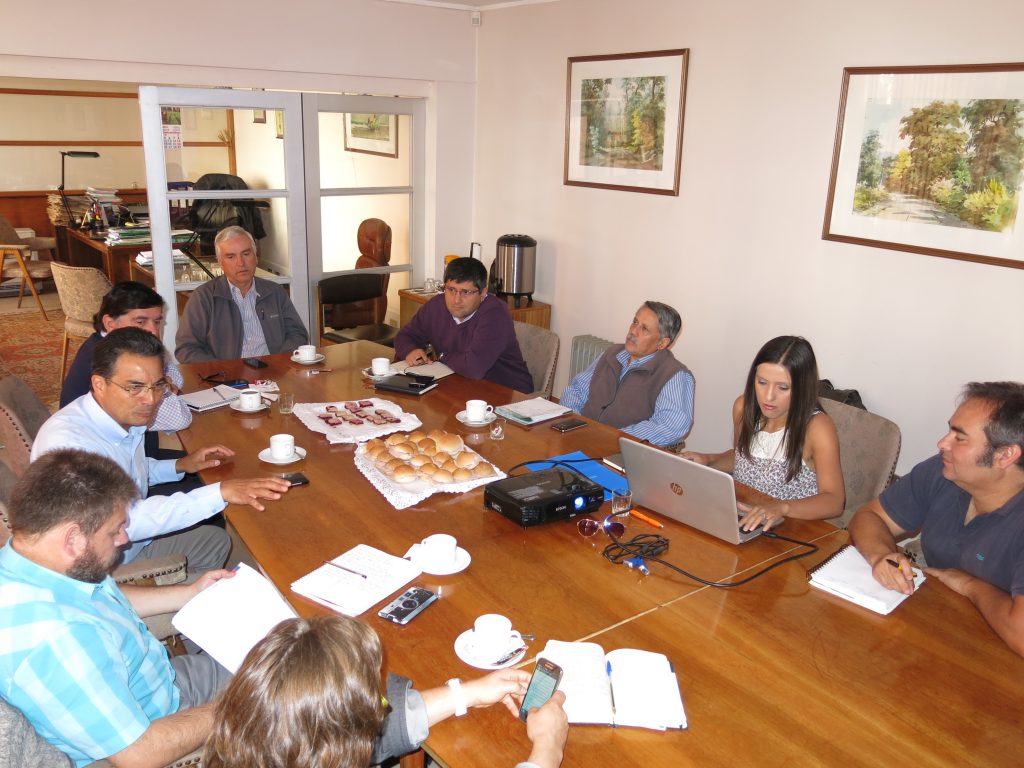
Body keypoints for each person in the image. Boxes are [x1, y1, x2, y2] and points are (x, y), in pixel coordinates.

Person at [0, 449, 235, 768]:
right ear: (73, 539)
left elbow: (102, 599)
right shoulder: (57, 641)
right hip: (161, 728)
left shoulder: (28, 564)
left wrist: (189, 594)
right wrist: (244, 701)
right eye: (114, 531)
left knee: (270, 651)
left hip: (159, 682)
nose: (124, 539)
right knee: (298, 687)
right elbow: (139, 753)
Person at [32, 327, 291, 576]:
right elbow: (126, 522)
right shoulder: (71, 445)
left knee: (216, 541)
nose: (151, 399)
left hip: (129, 540)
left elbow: (124, 474)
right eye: (134, 387)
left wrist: (181, 465)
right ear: (99, 384)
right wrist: (220, 492)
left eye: (158, 385)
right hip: (104, 564)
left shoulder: (114, 416)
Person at [204, 615, 569, 768]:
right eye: (376, 701)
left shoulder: (261, 741)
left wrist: (468, 693)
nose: (383, 706)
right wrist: (547, 748)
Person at [849, 381, 1024, 657]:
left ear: (1005, 456)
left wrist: (971, 586)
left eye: (959, 437)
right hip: (937, 631)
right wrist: (881, 555)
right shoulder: (945, 472)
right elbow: (870, 516)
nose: (943, 443)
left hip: (999, 658)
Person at [681, 336, 844, 531]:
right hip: (743, 520)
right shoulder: (743, 407)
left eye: (783, 387)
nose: (768, 396)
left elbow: (834, 501)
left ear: (802, 388)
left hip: (790, 529)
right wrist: (708, 460)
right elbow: (741, 459)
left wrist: (782, 507)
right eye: (762, 382)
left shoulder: (816, 427)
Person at [60, 280, 191, 465]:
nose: (153, 330)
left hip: (136, 457)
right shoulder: (111, 360)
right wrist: (165, 387)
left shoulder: (113, 345)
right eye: (141, 321)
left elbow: (176, 374)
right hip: (109, 467)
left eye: (157, 322)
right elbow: (179, 419)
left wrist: (165, 383)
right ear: (110, 323)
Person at [560, 301, 694, 446]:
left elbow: (671, 427)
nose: (633, 331)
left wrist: (613, 438)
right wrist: (575, 424)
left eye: (644, 329)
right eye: (635, 322)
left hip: (619, 451)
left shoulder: (674, 375)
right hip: (580, 437)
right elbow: (576, 390)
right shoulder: (612, 353)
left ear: (662, 343)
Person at [394, 257, 533, 392]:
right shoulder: (436, 305)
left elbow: (474, 368)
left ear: (483, 293)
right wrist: (410, 350)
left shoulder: (495, 314)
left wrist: (442, 356)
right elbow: (404, 336)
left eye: (466, 292)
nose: (456, 300)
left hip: (510, 394)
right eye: (451, 290)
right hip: (462, 384)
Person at [175, 225, 308, 363]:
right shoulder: (203, 298)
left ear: (256, 256)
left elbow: (297, 334)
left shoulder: (275, 292)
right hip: (226, 374)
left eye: (246, 254)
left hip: (273, 370)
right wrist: (223, 370)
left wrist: (278, 362)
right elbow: (186, 348)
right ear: (220, 263)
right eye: (231, 256)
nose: (241, 263)